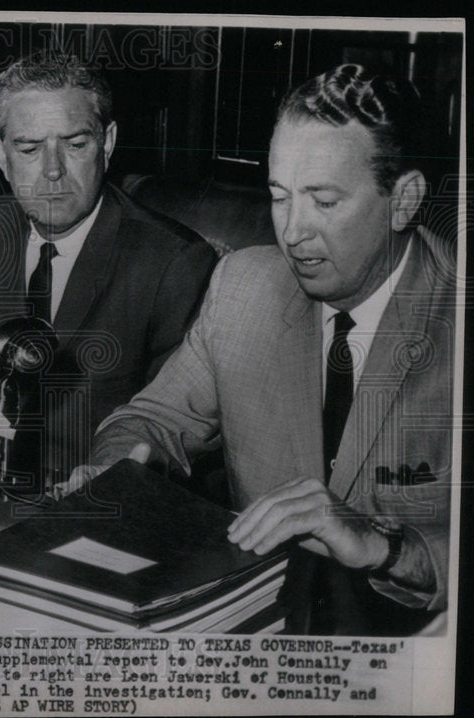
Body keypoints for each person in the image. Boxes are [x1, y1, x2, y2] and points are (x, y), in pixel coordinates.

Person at [73, 64, 454, 635]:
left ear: (404, 200)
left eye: (323, 201)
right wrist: (115, 469)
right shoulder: (245, 287)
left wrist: (381, 545)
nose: (292, 232)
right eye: (279, 197)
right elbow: (152, 419)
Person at [0, 50, 216, 480]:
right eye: (30, 148)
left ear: (106, 143)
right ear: (0, 154)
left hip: (90, 503)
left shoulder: (173, 265)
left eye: (75, 144)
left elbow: (165, 435)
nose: (52, 171)